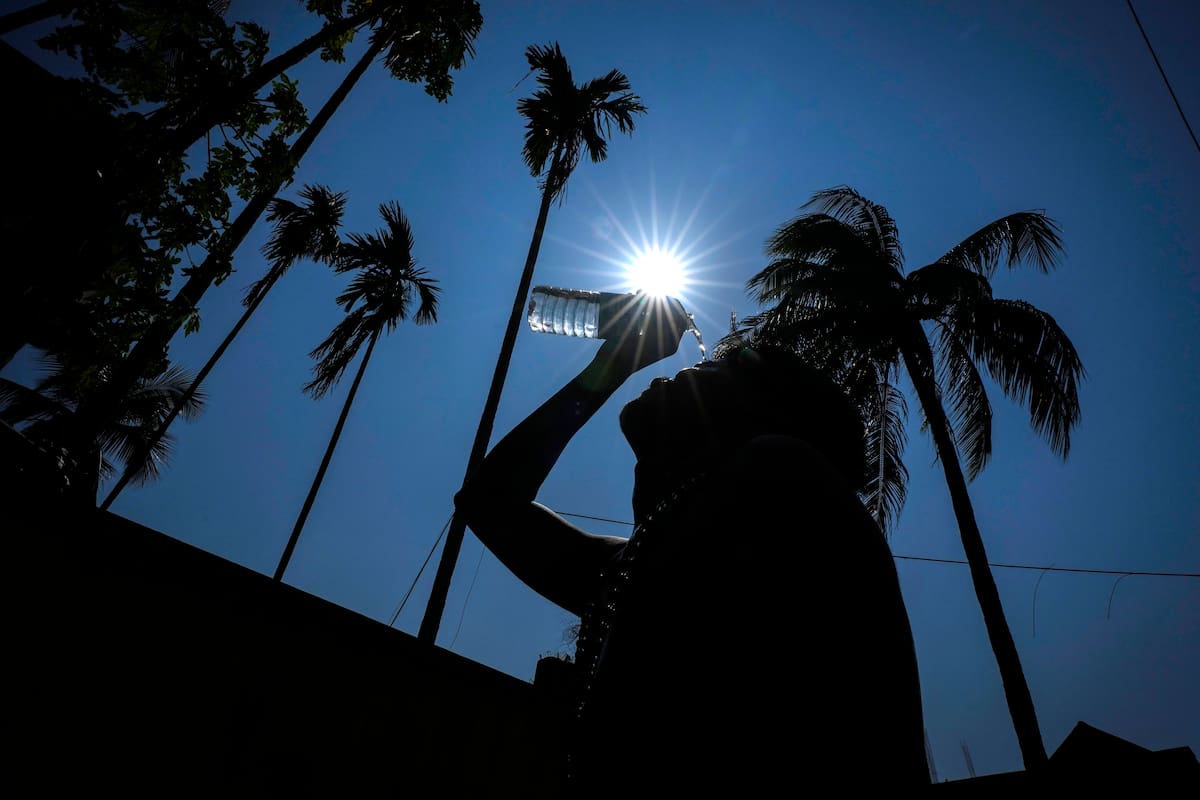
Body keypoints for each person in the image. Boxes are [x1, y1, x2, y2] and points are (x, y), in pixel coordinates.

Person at [454, 297, 929, 795]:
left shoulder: (787, 478)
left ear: (753, 412)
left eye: (715, 367)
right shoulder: (635, 561)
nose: (690, 368)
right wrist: (607, 369)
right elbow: (488, 502)